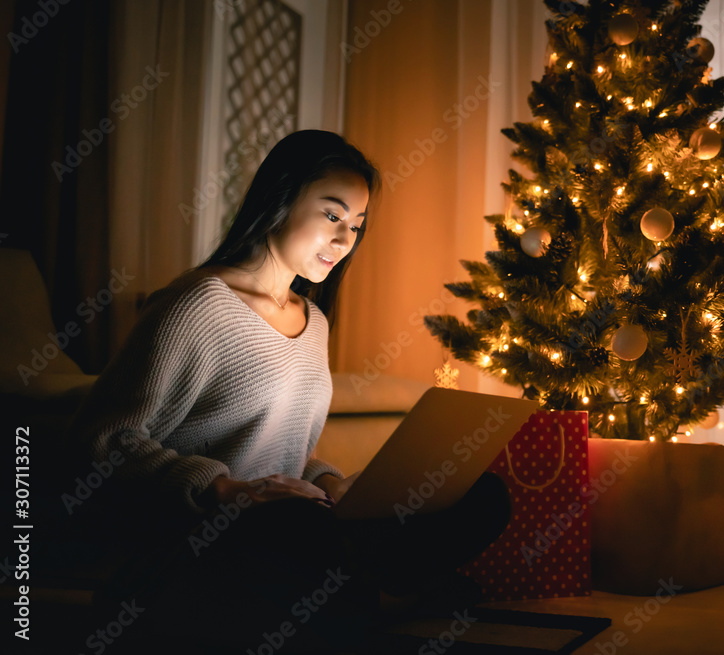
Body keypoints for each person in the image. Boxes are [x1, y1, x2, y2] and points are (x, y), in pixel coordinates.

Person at [52, 130, 511, 652]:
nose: (345, 240)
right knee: (301, 534)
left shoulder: (312, 320)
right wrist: (226, 489)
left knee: (480, 494)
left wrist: (333, 484)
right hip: (198, 539)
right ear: (281, 199)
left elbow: (285, 452)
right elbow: (99, 442)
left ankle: (368, 589)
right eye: (332, 215)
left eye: (357, 226)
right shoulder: (197, 305)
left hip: (289, 527)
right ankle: (379, 593)